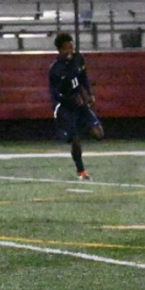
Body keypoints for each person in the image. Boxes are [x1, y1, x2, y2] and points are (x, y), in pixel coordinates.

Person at [48, 32, 103, 181]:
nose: (70, 51)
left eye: (71, 47)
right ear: (60, 50)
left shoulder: (78, 59)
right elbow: (56, 94)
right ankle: (81, 171)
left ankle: (79, 130)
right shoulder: (56, 69)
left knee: (98, 134)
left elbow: (83, 77)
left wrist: (89, 93)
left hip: (80, 105)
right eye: (66, 49)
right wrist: (71, 98)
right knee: (75, 140)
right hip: (65, 107)